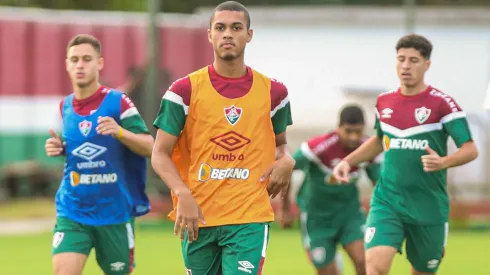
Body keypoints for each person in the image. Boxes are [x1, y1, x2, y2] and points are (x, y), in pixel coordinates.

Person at [151, 1, 295, 274]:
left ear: (249, 35)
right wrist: (182, 194)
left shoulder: (274, 92)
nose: (228, 34)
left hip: (249, 217)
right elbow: (159, 154)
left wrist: (287, 161)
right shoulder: (183, 91)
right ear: (210, 35)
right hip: (198, 216)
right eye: (220, 27)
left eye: (236, 27)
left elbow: (280, 145)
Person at [333, 34, 479, 275]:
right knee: (374, 268)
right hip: (388, 201)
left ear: (427, 65)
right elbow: (380, 140)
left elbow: (470, 149)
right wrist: (348, 162)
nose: (405, 66)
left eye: (413, 60)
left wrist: (444, 162)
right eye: (401, 59)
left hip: (428, 206)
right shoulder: (384, 102)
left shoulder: (443, 104)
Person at [44, 34, 153, 275]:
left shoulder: (118, 102)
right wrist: (60, 149)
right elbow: (82, 150)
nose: (80, 65)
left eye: (86, 59)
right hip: (73, 210)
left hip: (113, 213)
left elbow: (149, 146)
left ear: (99, 63)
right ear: (67, 65)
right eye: (74, 60)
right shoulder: (65, 107)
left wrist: (121, 133)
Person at [280, 105, 381, 275]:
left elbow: (378, 183)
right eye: (348, 131)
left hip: (350, 216)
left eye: (358, 131)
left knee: (365, 261)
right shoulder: (318, 146)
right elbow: (286, 169)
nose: (353, 137)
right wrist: (285, 209)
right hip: (317, 218)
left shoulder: (367, 148)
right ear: (338, 127)